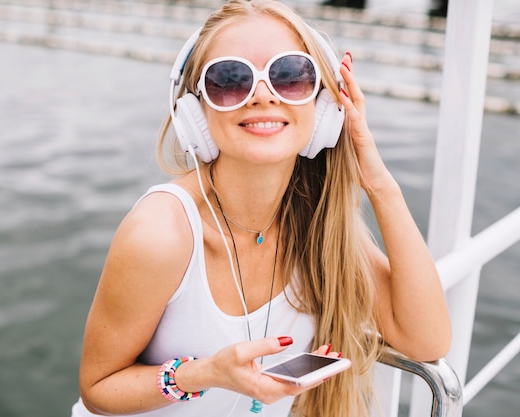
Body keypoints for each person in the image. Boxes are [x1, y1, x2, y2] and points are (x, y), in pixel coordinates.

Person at [71, 1, 452, 416]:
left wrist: (379, 183)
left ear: (326, 108)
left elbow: (427, 341)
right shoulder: (162, 233)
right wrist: (206, 373)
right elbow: (98, 388)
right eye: (229, 80)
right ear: (195, 113)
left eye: (290, 75)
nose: (263, 95)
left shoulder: (318, 225)